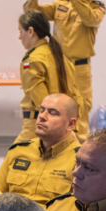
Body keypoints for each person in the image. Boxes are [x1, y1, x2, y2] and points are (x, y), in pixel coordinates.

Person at [24, 0, 106, 141]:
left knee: (81, 108)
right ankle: (53, 148)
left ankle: (79, 152)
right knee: (54, 106)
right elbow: (32, 11)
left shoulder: (96, 6)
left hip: (80, 68)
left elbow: (91, 19)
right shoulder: (60, 4)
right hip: (59, 65)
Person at [0, 93, 80, 204]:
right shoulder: (18, 151)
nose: (42, 116)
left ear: (70, 124)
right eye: (41, 110)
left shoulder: (80, 160)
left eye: (53, 113)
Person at [15, 11, 82, 143]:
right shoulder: (60, 56)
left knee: (14, 160)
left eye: (20, 31)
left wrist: (48, 125)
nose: (19, 37)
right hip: (63, 125)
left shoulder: (31, 61)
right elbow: (76, 94)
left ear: (30, 31)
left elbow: (42, 102)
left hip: (40, 126)